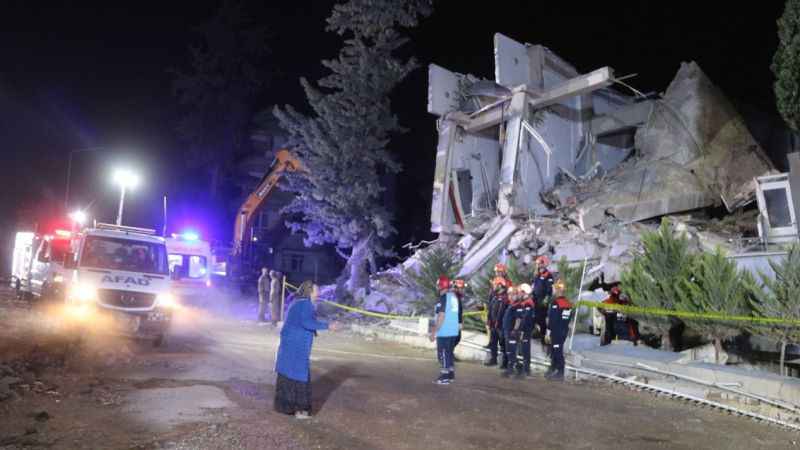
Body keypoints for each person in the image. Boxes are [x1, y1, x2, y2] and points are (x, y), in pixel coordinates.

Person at [274, 281, 337, 419]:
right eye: (316, 290)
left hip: (289, 344)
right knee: (300, 375)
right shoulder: (305, 304)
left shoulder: (298, 303)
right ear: (310, 292)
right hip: (296, 346)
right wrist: (328, 326)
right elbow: (307, 322)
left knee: (288, 375)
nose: (318, 293)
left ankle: (285, 407)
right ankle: (300, 410)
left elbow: (302, 321)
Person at [429, 275, 461, 385]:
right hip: (453, 331)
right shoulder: (453, 297)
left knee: (442, 354)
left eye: (438, 285)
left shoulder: (444, 298)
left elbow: (441, 316)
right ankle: (451, 374)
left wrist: (434, 331)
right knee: (449, 353)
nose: (437, 287)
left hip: (445, 331)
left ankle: (445, 376)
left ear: (441, 285)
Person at [503, 283, 535, 378]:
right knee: (516, 350)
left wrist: (517, 330)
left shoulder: (527, 304)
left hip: (524, 331)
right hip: (521, 331)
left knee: (523, 351)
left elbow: (523, 319)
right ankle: (520, 369)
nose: (518, 294)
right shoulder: (521, 304)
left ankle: (525, 370)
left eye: (519, 292)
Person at [545, 279, 573, 381]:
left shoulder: (555, 302)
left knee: (557, 351)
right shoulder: (568, 303)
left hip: (556, 331)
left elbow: (552, 319)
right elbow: (568, 318)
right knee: (555, 350)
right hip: (563, 331)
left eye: (554, 289)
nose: (553, 290)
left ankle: (560, 372)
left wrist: (548, 332)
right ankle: (553, 369)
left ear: (558, 290)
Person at [485, 276, 511, 368]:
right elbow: (490, 309)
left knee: (503, 344)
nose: (493, 286)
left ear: (500, 285)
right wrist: (489, 320)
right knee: (493, 342)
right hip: (493, 324)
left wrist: (499, 323)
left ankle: (505, 363)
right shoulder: (495, 296)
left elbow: (505, 313)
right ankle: (493, 359)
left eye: (495, 284)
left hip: (501, 326)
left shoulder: (506, 298)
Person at [532, 256, 554, 347]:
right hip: (535, 299)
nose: (538, 265)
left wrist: (546, 299)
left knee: (541, 320)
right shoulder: (536, 275)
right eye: (537, 264)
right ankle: (536, 332)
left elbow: (550, 289)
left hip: (542, 301)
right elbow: (533, 285)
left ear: (544, 264)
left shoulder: (548, 275)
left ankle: (544, 337)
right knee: (534, 317)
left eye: (539, 263)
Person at [453, 279, 466, 350]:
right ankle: (447, 354)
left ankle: (449, 353)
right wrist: (459, 322)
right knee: (455, 338)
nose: (462, 290)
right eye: (461, 288)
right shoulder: (454, 296)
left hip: (456, 321)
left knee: (457, 338)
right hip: (454, 322)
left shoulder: (458, 296)